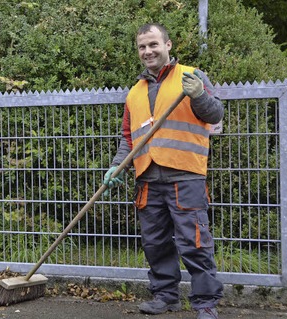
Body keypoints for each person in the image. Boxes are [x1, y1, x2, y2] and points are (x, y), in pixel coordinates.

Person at [103, 23, 224, 319]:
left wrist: (199, 96)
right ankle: (166, 296)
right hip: (148, 178)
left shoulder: (191, 77)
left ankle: (205, 302)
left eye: (153, 45)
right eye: (142, 47)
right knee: (155, 243)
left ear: (168, 45)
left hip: (185, 176)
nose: (148, 51)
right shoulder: (135, 92)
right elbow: (129, 138)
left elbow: (215, 114)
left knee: (194, 243)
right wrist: (117, 166)